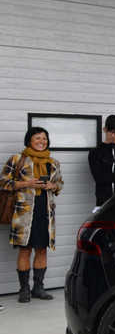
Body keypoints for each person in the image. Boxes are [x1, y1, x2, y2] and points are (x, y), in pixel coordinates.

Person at [3, 127, 63, 303]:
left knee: (42, 250)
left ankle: (39, 288)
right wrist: (26, 183)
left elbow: (60, 184)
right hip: (23, 213)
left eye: (44, 138)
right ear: (29, 140)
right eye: (38, 138)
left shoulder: (53, 162)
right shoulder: (17, 160)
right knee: (25, 250)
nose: (42, 141)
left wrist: (53, 187)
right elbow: (3, 182)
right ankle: (24, 290)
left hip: (45, 213)